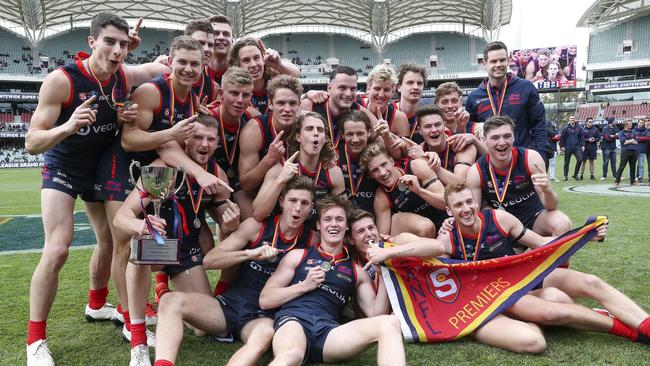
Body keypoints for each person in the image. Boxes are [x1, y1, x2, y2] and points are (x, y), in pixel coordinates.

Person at [23, 13, 166, 365]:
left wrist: (166, 62)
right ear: (91, 43)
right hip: (64, 168)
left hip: (101, 169)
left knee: (111, 242)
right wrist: (68, 126)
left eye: (122, 44)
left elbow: (157, 69)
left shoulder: (123, 76)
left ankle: (101, 306)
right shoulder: (62, 81)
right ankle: (35, 341)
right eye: (109, 42)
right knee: (57, 249)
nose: (116, 50)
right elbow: (31, 142)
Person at [364, 182, 650, 352]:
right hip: (501, 294)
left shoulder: (499, 219)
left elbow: (542, 244)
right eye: (457, 206)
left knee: (591, 282)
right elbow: (422, 248)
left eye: (468, 202)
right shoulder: (449, 238)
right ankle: (629, 332)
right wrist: (384, 252)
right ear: (449, 211)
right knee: (553, 311)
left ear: (475, 202)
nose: (465, 209)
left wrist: (584, 236)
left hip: (531, 277)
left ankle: (645, 326)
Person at [153, 176, 315, 366]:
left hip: (262, 317)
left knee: (265, 335)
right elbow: (210, 260)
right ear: (282, 201)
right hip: (228, 308)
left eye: (304, 203)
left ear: (311, 208)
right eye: (293, 201)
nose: (297, 208)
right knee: (170, 300)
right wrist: (248, 254)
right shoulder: (257, 227)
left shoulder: (312, 240)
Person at [113, 116, 235, 365]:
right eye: (198, 137)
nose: (205, 144)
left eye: (211, 139)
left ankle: (166, 299)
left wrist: (229, 222)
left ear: (217, 144)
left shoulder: (216, 173)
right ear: (185, 140)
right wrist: (141, 224)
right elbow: (121, 217)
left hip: (185, 252)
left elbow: (222, 214)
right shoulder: (164, 170)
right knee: (138, 256)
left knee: (203, 328)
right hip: (156, 249)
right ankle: (138, 342)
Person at [259, 194, 405, 366]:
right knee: (292, 355)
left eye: (339, 219)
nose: (334, 224)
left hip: (328, 332)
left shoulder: (357, 272)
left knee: (389, 322)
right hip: (294, 321)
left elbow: (375, 313)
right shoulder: (298, 256)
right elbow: (265, 300)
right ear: (319, 225)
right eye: (328, 219)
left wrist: (384, 273)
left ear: (346, 227)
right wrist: (305, 286)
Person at [467, 115, 571, 237]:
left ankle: (547, 254)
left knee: (562, 223)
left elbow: (551, 206)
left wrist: (547, 190)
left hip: (535, 218)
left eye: (507, 136)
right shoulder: (476, 171)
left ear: (514, 137)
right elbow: (475, 214)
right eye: (495, 138)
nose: (502, 142)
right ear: (484, 140)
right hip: (505, 227)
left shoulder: (531, 158)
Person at [252, 112, 345, 225]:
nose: (315, 133)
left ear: (324, 139)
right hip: (281, 233)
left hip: (315, 235)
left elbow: (342, 216)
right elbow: (258, 214)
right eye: (309, 129)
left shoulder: (334, 172)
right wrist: (280, 180)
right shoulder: (280, 168)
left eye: (320, 130)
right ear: (298, 136)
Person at [466, 41, 547, 155]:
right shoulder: (474, 97)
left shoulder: (526, 88)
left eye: (502, 60)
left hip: (521, 161)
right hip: (489, 163)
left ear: (508, 61)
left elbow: (539, 125)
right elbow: (470, 130)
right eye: (493, 61)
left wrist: (542, 156)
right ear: (485, 64)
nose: (498, 64)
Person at [360, 142, 446, 237]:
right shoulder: (382, 197)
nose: (383, 172)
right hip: (422, 231)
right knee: (426, 227)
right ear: (371, 175)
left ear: (391, 161)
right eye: (375, 170)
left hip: (445, 222)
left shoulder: (416, 167)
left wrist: (419, 191)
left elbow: (446, 203)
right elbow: (383, 236)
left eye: (384, 164)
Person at [238, 75, 303, 191]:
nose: (287, 109)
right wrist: (268, 160)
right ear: (270, 104)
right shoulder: (254, 130)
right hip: (261, 193)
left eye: (292, 103)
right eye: (281, 103)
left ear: (299, 105)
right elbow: (246, 184)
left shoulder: (307, 126)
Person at [404, 105, 477, 186]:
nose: (434, 130)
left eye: (438, 125)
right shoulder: (417, 153)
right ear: (420, 130)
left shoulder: (460, 144)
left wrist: (429, 163)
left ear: (444, 125)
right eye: (428, 126)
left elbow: (462, 185)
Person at [229, 37, 300, 114]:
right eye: (246, 60)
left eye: (256, 58)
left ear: (263, 59)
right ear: (238, 65)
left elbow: (295, 74)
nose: (253, 64)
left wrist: (279, 65)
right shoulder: (234, 91)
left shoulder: (274, 79)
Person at [337, 110, 379, 213]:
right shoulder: (333, 157)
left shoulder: (379, 155)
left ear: (369, 132)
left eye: (360, 133)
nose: (355, 140)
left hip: (372, 219)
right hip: (344, 217)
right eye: (349, 134)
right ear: (343, 135)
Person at [434, 81, 487, 156]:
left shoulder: (479, 129)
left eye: (454, 101)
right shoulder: (434, 131)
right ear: (437, 105)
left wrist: (475, 140)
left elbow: (493, 158)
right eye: (445, 102)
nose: (450, 106)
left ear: (461, 102)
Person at [360, 64, 410, 137]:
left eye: (386, 90)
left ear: (392, 92)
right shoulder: (356, 107)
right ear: (368, 89)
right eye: (377, 88)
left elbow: (404, 148)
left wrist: (387, 137)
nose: (381, 94)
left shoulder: (399, 119)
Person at [184, 19, 220, 103]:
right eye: (200, 43)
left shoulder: (214, 88)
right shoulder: (163, 72)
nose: (206, 49)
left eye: (210, 45)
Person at [392, 63, 426, 138]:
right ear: (399, 87)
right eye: (410, 83)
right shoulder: (388, 113)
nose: (416, 87)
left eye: (419, 83)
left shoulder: (426, 116)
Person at [207, 15, 233, 85]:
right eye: (216, 33)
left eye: (226, 34)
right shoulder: (197, 73)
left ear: (232, 40)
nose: (221, 37)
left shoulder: (242, 70)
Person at [614, 120, 639, 186]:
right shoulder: (621, 133)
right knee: (622, 166)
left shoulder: (633, 132)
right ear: (625, 125)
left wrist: (630, 141)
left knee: (633, 167)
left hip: (634, 151)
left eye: (631, 124)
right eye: (629, 124)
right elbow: (624, 142)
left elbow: (636, 141)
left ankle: (632, 181)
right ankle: (617, 181)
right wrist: (632, 140)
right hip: (625, 151)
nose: (631, 125)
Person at [560, 115, 584, 181]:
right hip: (568, 147)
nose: (572, 119)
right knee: (566, 162)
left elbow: (582, 137)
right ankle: (565, 176)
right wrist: (562, 146)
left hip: (577, 147)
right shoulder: (565, 128)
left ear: (575, 119)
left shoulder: (579, 128)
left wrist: (583, 145)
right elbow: (562, 138)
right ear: (569, 119)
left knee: (580, 159)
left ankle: (575, 174)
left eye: (573, 118)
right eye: (571, 118)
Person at [635, 118, 650, 182]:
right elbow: (635, 137)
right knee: (640, 163)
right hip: (642, 148)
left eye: (648, 121)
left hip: (649, 149)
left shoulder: (646, 130)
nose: (646, 122)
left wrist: (639, 138)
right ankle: (638, 176)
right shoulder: (640, 129)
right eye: (645, 121)